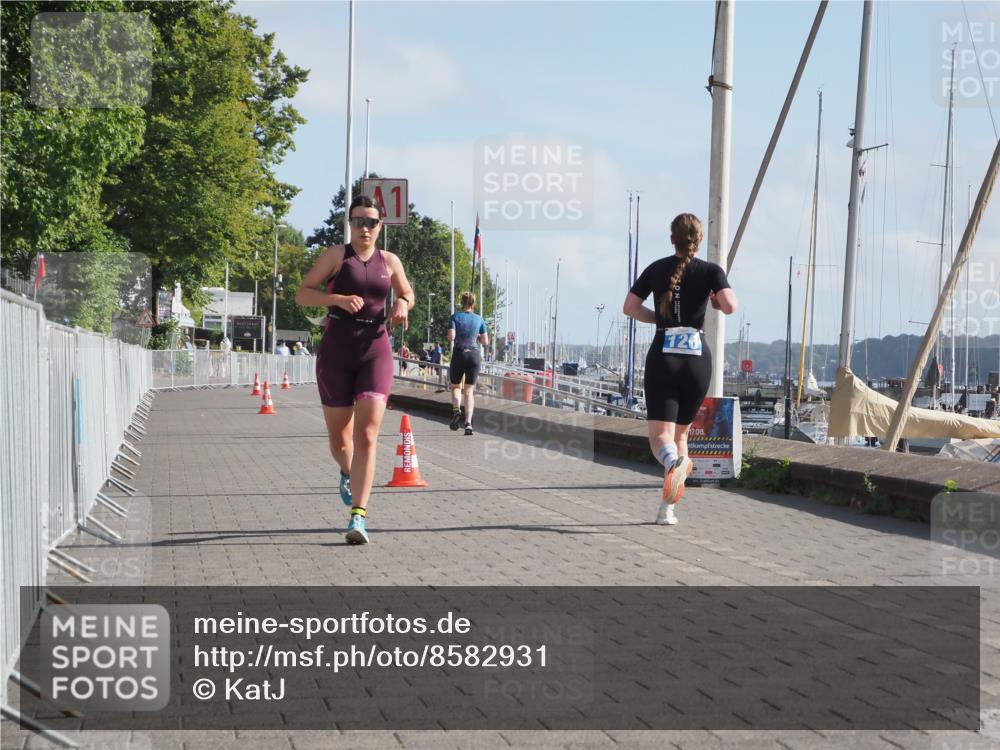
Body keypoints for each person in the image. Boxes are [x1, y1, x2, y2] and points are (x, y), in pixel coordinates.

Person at [294, 196, 414, 545]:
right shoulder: (336, 256)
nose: (365, 227)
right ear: (350, 223)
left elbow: (407, 292)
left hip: (375, 349)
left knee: (368, 435)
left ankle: (358, 518)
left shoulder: (389, 261)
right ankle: (349, 471)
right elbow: (303, 294)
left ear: (380, 227)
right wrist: (337, 300)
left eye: (372, 222)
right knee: (339, 440)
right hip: (337, 350)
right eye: (359, 221)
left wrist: (403, 303)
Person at [623, 213, 738, 526]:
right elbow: (729, 305)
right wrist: (713, 302)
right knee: (681, 435)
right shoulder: (711, 271)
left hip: (664, 356)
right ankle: (667, 510)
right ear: (699, 240)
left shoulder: (656, 268)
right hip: (697, 359)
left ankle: (673, 464)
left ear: (671, 238)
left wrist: (660, 320)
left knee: (661, 438)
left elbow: (629, 308)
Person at [447, 292, 489, 435]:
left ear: (461, 302)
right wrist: (476, 336)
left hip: (459, 354)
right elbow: (485, 342)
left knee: (456, 386)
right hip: (474, 355)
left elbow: (451, 337)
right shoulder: (479, 319)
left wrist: (454, 334)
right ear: (473, 303)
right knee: (469, 390)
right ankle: (468, 423)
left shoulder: (455, 317)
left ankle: (456, 410)